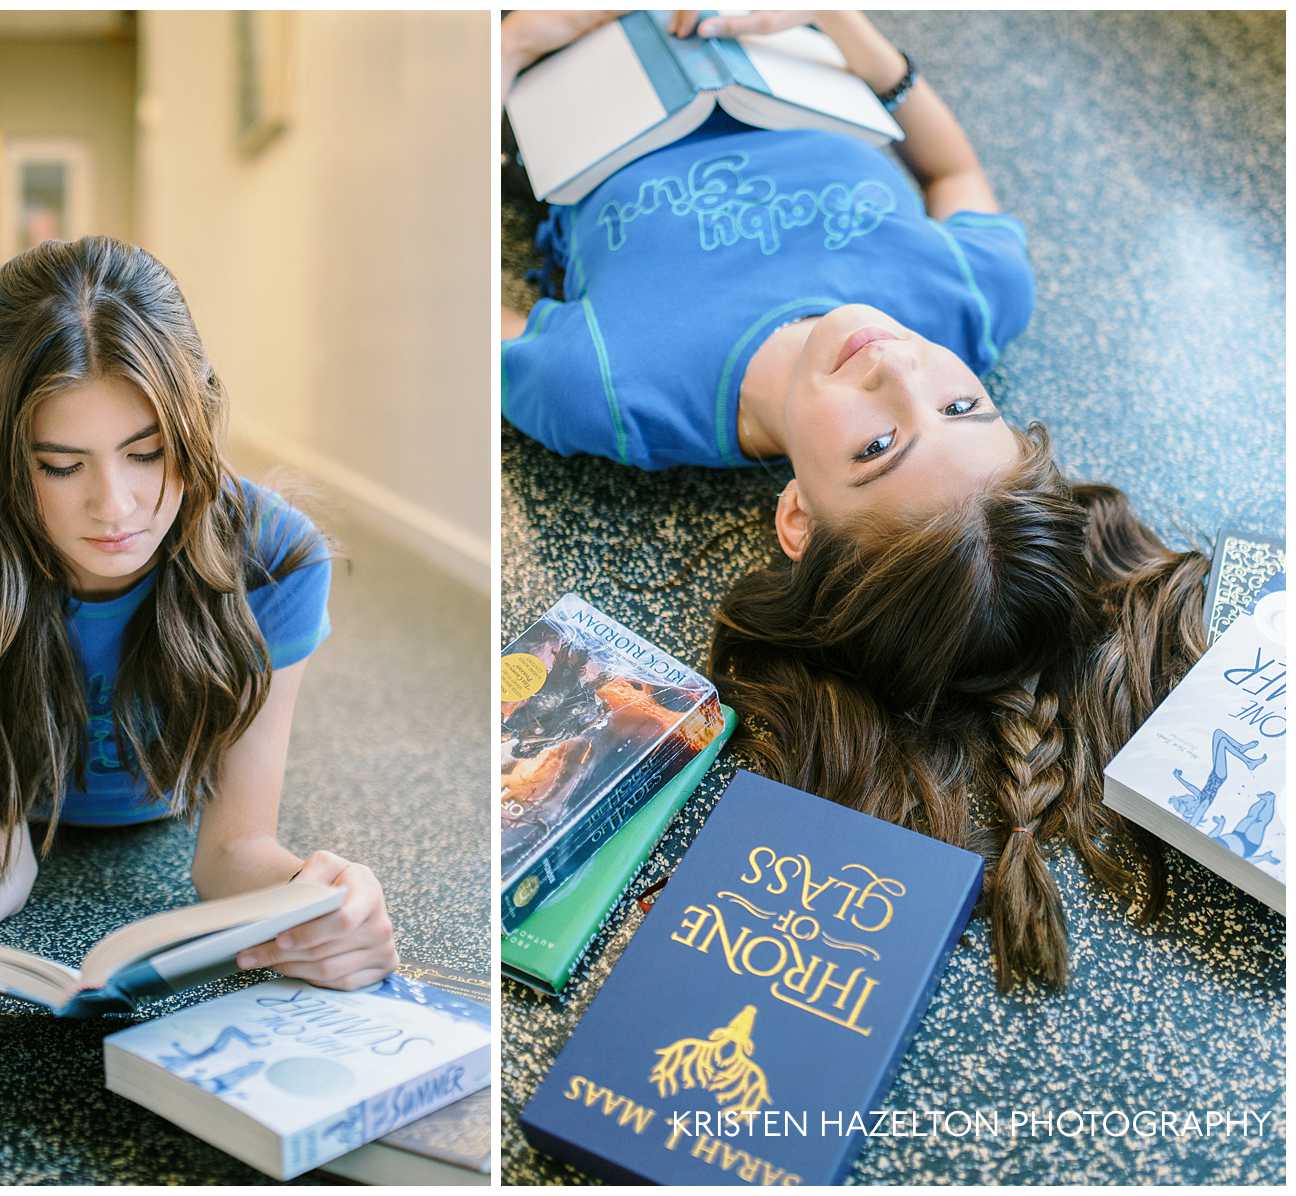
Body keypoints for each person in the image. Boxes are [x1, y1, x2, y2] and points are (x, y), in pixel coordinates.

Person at [502, 13, 1210, 989]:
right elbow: (955, 176)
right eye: (964, 404)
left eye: (877, 448)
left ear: (797, 518)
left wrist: (497, 56)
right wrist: (849, 28)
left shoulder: (612, 389)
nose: (898, 370)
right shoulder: (973, 297)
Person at [0, 236, 398, 1046]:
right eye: (59, 466)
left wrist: (325, 903)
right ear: (1, 456)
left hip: (167, 802)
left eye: (147, 453)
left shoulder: (275, 557)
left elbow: (234, 851)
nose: (115, 509)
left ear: (195, 426)